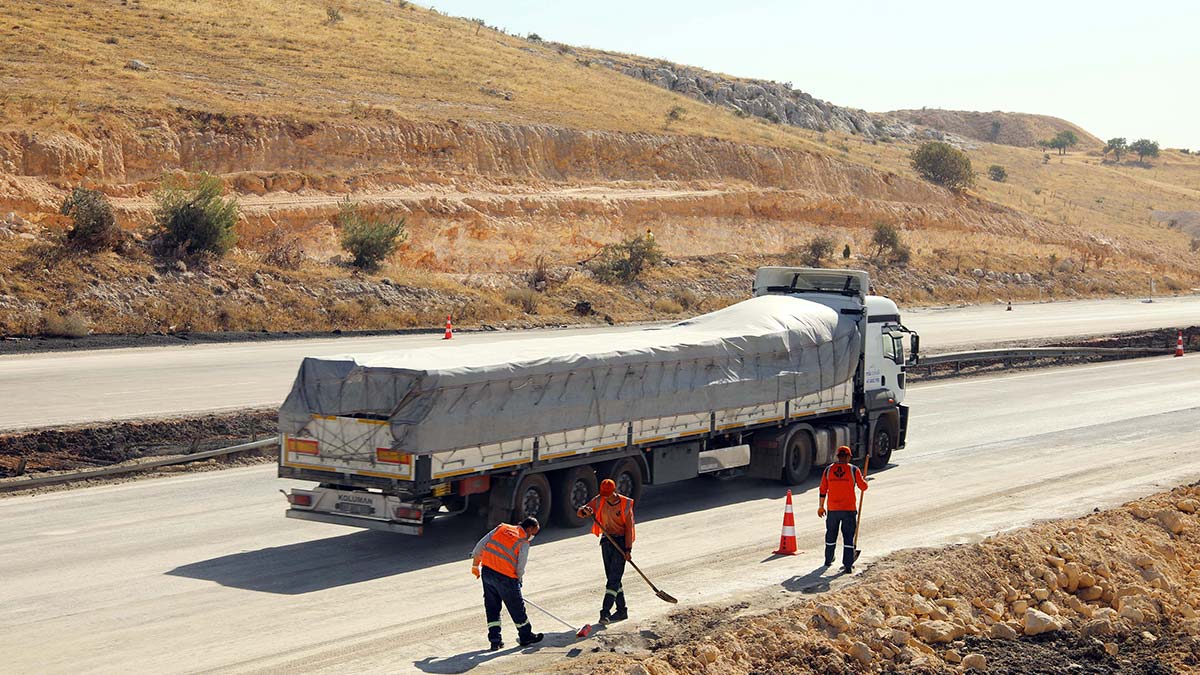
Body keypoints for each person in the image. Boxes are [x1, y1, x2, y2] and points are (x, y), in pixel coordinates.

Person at [470, 516, 544, 651]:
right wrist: (518, 580)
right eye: (534, 533)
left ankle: (495, 641)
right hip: (506, 578)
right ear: (529, 529)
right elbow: (520, 566)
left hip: (487, 572)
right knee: (517, 608)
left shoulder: (501, 528)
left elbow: (480, 545)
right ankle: (526, 636)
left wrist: (475, 565)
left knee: (492, 607)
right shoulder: (523, 542)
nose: (533, 536)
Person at [577, 478, 635, 624]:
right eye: (604, 494)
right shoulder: (599, 500)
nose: (605, 497)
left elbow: (629, 529)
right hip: (607, 541)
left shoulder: (625, 504)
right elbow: (581, 512)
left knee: (613, 579)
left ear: (614, 491)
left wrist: (628, 549)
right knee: (612, 577)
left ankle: (605, 612)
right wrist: (585, 510)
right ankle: (621, 610)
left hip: (620, 542)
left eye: (607, 495)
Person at [817, 446, 868, 574]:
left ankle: (828, 559)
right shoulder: (853, 470)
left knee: (831, 535)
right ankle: (848, 565)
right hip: (848, 510)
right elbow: (863, 487)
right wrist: (864, 480)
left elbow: (823, 489)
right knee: (848, 537)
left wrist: (821, 506)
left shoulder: (828, 470)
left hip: (833, 510)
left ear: (838, 456)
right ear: (849, 457)